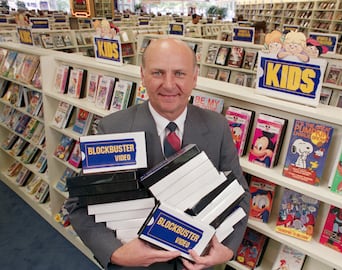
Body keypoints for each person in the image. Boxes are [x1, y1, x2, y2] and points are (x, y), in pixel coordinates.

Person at [66, 38, 250, 270]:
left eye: (180, 74)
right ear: (142, 75)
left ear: (195, 77)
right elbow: (80, 205)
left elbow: (240, 194)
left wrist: (227, 249)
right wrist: (116, 253)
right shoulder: (112, 128)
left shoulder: (217, 127)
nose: (169, 84)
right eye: (158, 73)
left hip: (198, 263)